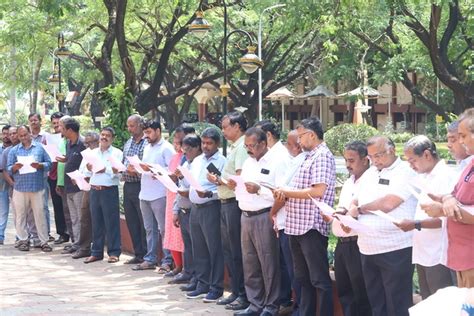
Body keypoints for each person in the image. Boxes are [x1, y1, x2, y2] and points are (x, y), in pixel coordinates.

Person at [273, 117, 335, 316]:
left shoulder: (322, 156)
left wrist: (287, 192)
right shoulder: (308, 156)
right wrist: (285, 192)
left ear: (312, 134)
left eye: (301, 136)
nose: (298, 141)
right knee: (303, 279)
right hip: (296, 225)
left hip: (311, 226)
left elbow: (318, 191)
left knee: (318, 280)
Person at [348, 136, 417, 316]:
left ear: (392, 150)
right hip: (368, 248)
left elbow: (388, 203)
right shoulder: (371, 172)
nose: (375, 160)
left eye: (378, 155)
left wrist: (361, 209)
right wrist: (350, 210)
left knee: (397, 303)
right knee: (376, 303)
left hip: (395, 248)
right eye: (371, 157)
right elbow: (356, 198)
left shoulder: (405, 171)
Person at [230, 127, 283, 316]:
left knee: (268, 263)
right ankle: (255, 304)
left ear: (263, 143)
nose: (249, 149)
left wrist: (259, 189)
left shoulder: (277, 161)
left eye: (252, 145)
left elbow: (281, 192)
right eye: (246, 146)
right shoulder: (248, 162)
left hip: (264, 215)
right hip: (246, 215)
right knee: (250, 263)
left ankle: (271, 305)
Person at [422, 108, 474, 288]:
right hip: (462, 257)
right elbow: (456, 193)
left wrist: (443, 210)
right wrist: (447, 199)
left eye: (462, 136)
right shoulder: (469, 165)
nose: (460, 141)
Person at [397, 135, 454, 299]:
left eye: (413, 160)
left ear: (427, 155)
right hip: (423, 252)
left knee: (441, 305)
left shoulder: (446, 176)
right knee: (427, 304)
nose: (410, 165)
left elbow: (446, 219)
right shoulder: (424, 177)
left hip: (438, 254)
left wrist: (415, 224)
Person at [207, 111, 249, 310]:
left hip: (234, 203)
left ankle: (242, 294)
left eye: (225, 127)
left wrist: (219, 180)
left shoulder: (242, 147)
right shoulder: (235, 147)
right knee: (229, 250)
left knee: (236, 251)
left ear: (237, 126)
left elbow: (238, 180)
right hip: (226, 202)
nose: (222, 131)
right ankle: (236, 290)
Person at [185, 127, 226, 303]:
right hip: (195, 208)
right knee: (198, 247)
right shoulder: (198, 160)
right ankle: (202, 283)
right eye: (203, 142)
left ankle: (216, 287)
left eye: (209, 143)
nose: (206, 146)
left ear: (217, 143)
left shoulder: (222, 161)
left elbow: (225, 188)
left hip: (211, 207)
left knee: (214, 248)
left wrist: (209, 194)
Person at [331, 141, 371, 316]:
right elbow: (344, 206)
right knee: (345, 291)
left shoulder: (371, 181)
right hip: (342, 243)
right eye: (346, 160)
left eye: (352, 160)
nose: (347, 165)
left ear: (365, 160)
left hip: (358, 244)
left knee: (361, 293)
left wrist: (351, 219)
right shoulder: (349, 181)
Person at [270, 129, 305, 316]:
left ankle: (299, 307)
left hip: (291, 222)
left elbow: (283, 194)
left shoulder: (300, 161)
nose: (290, 147)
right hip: (285, 222)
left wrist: (272, 211)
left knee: (295, 270)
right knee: (289, 268)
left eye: (292, 144)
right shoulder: (291, 161)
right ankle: (294, 305)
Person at [132, 120, 175, 271]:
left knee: (163, 229)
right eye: (145, 133)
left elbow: (173, 172)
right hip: (145, 193)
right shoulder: (147, 147)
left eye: (149, 132)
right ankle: (150, 258)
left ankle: (167, 260)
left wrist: (155, 170)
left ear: (158, 131)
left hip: (160, 194)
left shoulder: (167, 148)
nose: (146, 136)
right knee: (149, 228)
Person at [7, 125, 52, 252]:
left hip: (37, 187)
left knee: (40, 214)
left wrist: (40, 165)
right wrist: (15, 167)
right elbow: (9, 168)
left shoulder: (39, 148)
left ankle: (44, 241)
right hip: (20, 188)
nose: (23, 138)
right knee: (20, 215)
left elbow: (49, 163)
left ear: (30, 133)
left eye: (25, 135)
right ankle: (23, 240)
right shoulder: (14, 151)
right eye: (20, 136)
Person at [83, 126, 122, 264]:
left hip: (108, 190)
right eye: (102, 134)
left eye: (108, 135)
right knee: (96, 222)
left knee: (111, 222)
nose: (104, 137)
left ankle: (114, 252)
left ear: (113, 138)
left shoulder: (117, 153)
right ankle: (96, 252)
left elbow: (119, 173)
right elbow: (86, 173)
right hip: (94, 190)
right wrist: (88, 169)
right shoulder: (92, 153)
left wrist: (105, 169)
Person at [164, 123, 195, 280]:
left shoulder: (195, 159)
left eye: (181, 141)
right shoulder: (181, 158)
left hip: (195, 205)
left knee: (194, 244)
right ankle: (185, 271)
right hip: (179, 200)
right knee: (186, 241)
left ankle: (194, 275)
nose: (179, 146)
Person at [173, 134, 201, 292]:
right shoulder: (186, 161)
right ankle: (190, 274)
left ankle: (198, 277)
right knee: (189, 246)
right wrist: (175, 210)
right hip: (183, 208)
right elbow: (180, 187)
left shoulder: (198, 163)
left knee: (198, 247)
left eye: (188, 150)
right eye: (183, 150)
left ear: (197, 148)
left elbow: (197, 185)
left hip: (194, 209)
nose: (185, 153)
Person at [121, 114, 147, 265]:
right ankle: (138, 253)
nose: (129, 129)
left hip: (141, 185)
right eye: (128, 126)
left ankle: (146, 254)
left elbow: (145, 165)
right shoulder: (128, 142)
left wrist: (136, 170)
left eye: (132, 126)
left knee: (143, 221)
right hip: (128, 185)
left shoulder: (146, 143)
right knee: (132, 221)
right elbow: (124, 162)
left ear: (140, 125)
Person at [59, 117, 87, 255]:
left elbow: (87, 164)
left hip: (79, 187)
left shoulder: (83, 144)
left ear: (69, 130)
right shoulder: (68, 143)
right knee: (73, 218)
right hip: (68, 186)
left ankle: (83, 245)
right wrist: (65, 159)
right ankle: (76, 243)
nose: (60, 130)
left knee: (81, 218)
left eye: (62, 128)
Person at [72, 131, 99, 259]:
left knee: (95, 218)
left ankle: (97, 248)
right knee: (84, 218)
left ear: (97, 141)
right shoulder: (87, 153)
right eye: (86, 143)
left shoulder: (99, 153)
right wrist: (77, 177)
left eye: (91, 143)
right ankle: (84, 247)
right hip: (85, 188)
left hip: (97, 187)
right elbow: (83, 170)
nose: (88, 145)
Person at [48, 112, 70, 245]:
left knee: (69, 207)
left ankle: (71, 233)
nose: (57, 126)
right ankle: (62, 233)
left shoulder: (70, 139)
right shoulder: (50, 138)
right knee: (57, 206)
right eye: (55, 123)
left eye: (59, 124)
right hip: (53, 175)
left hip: (67, 177)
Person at [0, 125, 12, 244]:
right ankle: (0, 236)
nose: (6, 136)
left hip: (15, 184)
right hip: (1, 185)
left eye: (8, 133)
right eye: (4, 133)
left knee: (20, 212)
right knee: (2, 211)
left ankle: (21, 237)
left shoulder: (17, 149)